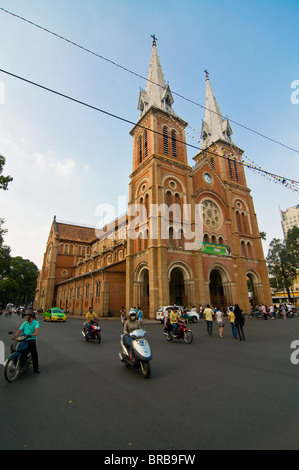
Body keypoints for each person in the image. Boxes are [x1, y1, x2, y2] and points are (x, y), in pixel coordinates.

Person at [12, 309, 40, 373]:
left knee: (34, 353)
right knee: (14, 348)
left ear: (30, 316)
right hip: (24, 338)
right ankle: (15, 362)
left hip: (31, 339)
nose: (26, 317)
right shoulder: (25, 323)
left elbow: (36, 329)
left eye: (27, 315)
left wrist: (34, 334)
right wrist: (15, 336)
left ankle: (36, 367)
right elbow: (19, 330)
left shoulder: (36, 322)